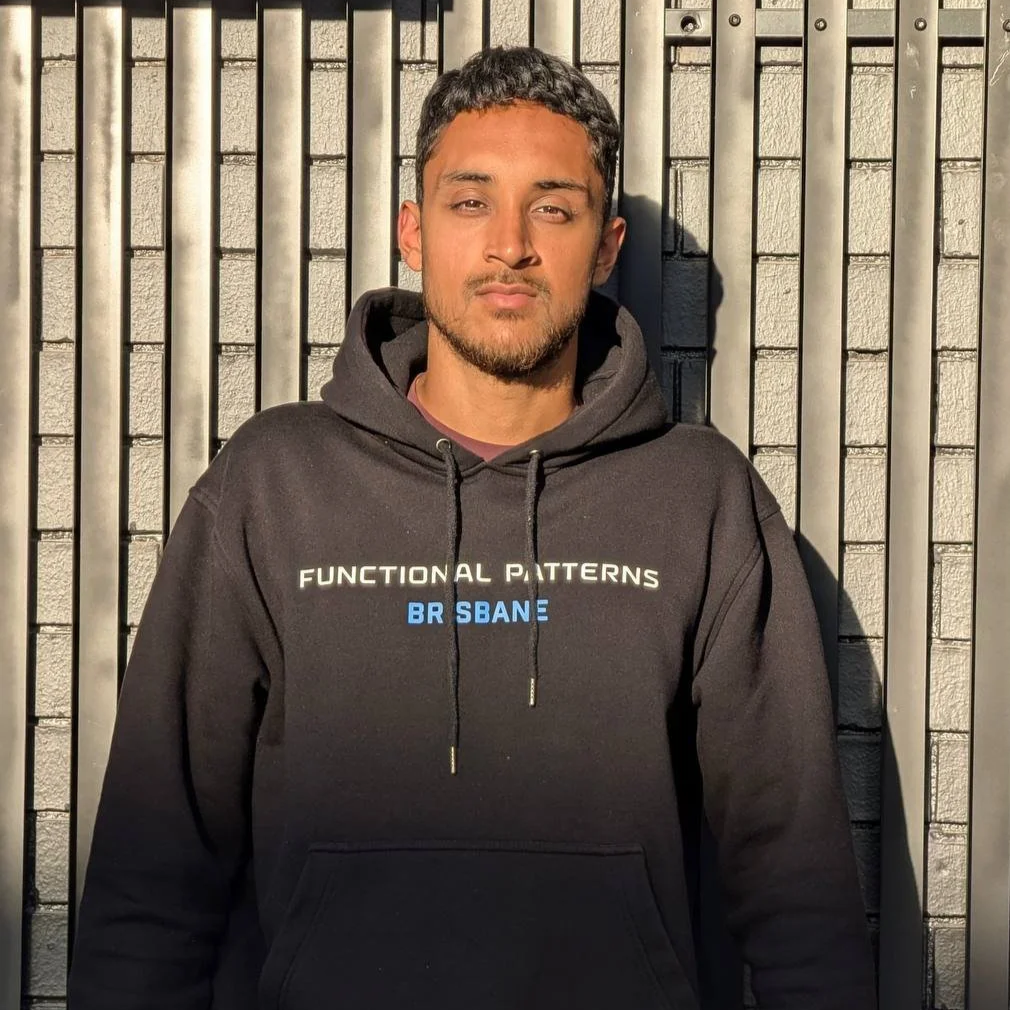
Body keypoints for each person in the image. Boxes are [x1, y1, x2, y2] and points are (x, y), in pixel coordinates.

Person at [69, 46, 876, 1010]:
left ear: (608, 244)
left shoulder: (700, 499)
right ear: (413, 231)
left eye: (553, 206)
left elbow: (799, 888)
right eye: (469, 201)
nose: (510, 244)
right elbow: (154, 868)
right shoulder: (272, 484)